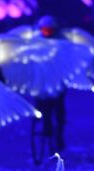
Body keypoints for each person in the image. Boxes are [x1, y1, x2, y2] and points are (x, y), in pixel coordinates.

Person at [34, 15, 67, 153]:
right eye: (44, 30)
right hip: (41, 81)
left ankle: (58, 134)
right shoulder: (35, 42)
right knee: (43, 107)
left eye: (49, 30)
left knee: (58, 108)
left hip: (57, 80)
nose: (47, 32)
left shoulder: (62, 42)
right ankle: (46, 128)